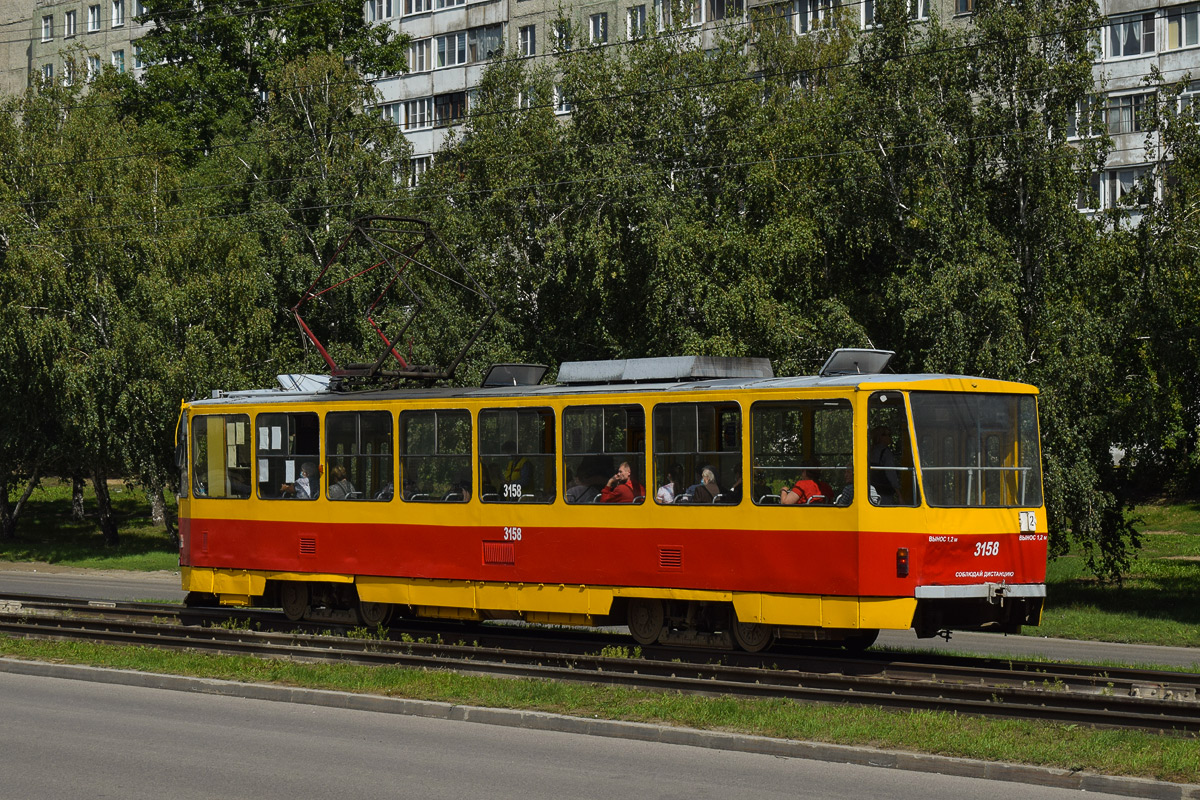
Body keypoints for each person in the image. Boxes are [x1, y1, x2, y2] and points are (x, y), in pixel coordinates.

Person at [869, 425, 901, 505]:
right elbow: (891, 473)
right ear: (880, 437)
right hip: (884, 490)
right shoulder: (886, 453)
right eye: (887, 435)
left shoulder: (870, 451)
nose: (890, 437)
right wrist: (899, 494)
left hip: (871, 489)